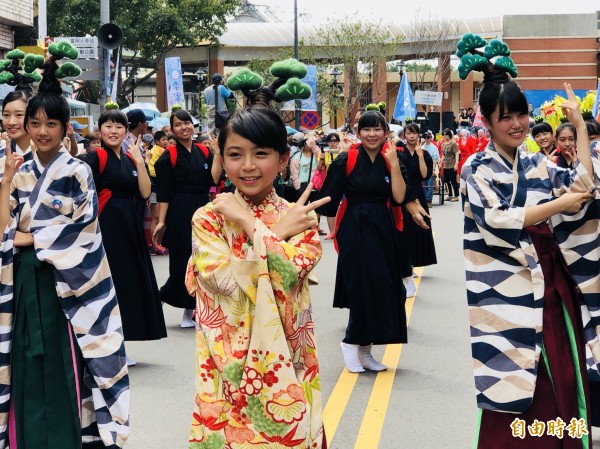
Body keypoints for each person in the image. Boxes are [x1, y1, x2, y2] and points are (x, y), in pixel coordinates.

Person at [458, 35, 597, 448]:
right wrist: (559, 205)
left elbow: (582, 188)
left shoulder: (537, 161)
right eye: (506, 117)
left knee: (565, 374)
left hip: (552, 281)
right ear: (486, 121)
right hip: (508, 289)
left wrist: (579, 130)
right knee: (517, 384)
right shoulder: (474, 168)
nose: (517, 124)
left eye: (521, 114)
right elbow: (497, 221)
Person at [0, 46, 129, 448]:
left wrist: (24, 237)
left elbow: (83, 234)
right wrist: (5, 181)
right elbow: (2, 230)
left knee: (65, 364)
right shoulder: (20, 172)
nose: (41, 131)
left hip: (67, 288)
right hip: (24, 284)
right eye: (33, 122)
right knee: (23, 363)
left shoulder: (78, 172)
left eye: (50, 123)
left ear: (65, 127)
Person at [185, 95, 327, 449]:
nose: (247, 166)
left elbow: (291, 276)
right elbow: (224, 286)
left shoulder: (300, 217)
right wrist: (274, 235)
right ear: (221, 158)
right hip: (225, 363)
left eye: (260, 153)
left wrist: (249, 223)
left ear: (282, 161)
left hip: (286, 362)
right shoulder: (208, 218)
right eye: (235, 154)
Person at [316, 110, 409, 373]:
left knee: (385, 287)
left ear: (385, 133)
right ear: (358, 133)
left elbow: (399, 197)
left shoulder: (391, 158)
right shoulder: (347, 158)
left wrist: (393, 164)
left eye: (377, 129)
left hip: (383, 226)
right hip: (355, 226)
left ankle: (366, 350)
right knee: (361, 286)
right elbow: (328, 201)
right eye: (366, 129)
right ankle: (350, 341)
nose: (371, 134)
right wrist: (327, 230)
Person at [85, 107, 166, 366]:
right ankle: (105, 344)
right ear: (100, 130)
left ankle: (120, 341)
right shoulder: (94, 157)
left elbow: (144, 192)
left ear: (125, 130)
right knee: (110, 284)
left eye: (119, 126)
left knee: (128, 283)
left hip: (128, 224)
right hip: (105, 225)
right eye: (108, 126)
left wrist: (140, 162)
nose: (113, 131)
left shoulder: (132, 159)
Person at [153, 108, 221, 327]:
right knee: (182, 260)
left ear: (193, 125)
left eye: (187, 123)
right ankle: (164, 296)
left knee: (202, 260)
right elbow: (163, 193)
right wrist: (162, 221)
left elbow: (214, 179)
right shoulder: (168, 156)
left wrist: (218, 154)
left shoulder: (204, 151)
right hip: (179, 209)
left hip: (202, 208)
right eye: (178, 124)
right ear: (172, 130)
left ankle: (187, 311)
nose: (184, 127)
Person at [397, 123, 437, 297]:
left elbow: (424, 175)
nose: (412, 136)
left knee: (418, 228)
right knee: (404, 228)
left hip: (418, 192)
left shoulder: (425, 153)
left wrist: (420, 156)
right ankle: (406, 263)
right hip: (403, 192)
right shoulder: (399, 152)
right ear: (404, 135)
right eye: (409, 133)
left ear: (418, 135)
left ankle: (413, 262)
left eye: (414, 133)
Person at [1, 89, 33, 179]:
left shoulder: (46, 154)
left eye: (19, 115)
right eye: (6, 115)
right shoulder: (1, 151)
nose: (11, 122)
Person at [146, 129, 169, 255]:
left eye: (166, 139)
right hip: (155, 187)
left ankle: (158, 244)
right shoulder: (157, 151)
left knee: (160, 218)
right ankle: (156, 245)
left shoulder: (162, 151)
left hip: (159, 187)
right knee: (157, 218)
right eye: (163, 140)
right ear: (157, 141)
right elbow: (152, 169)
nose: (166, 141)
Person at [421, 131, 440, 207]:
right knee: (423, 184)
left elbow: (435, 159)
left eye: (428, 137)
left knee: (430, 184)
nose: (426, 139)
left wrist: (434, 169)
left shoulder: (434, 148)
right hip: (423, 167)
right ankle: (425, 199)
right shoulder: (422, 147)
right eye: (425, 137)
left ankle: (429, 199)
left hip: (430, 167)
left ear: (430, 138)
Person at [440, 128, 459, 201]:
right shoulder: (443, 144)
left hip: (452, 164)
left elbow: (456, 153)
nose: (445, 136)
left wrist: (456, 164)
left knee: (453, 180)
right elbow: (444, 155)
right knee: (446, 180)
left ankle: (456, 195)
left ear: (449, 135)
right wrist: (441, 162)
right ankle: (450, 194)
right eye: (443, 135)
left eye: (446, 134)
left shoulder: (453, 143)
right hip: (446, 164)